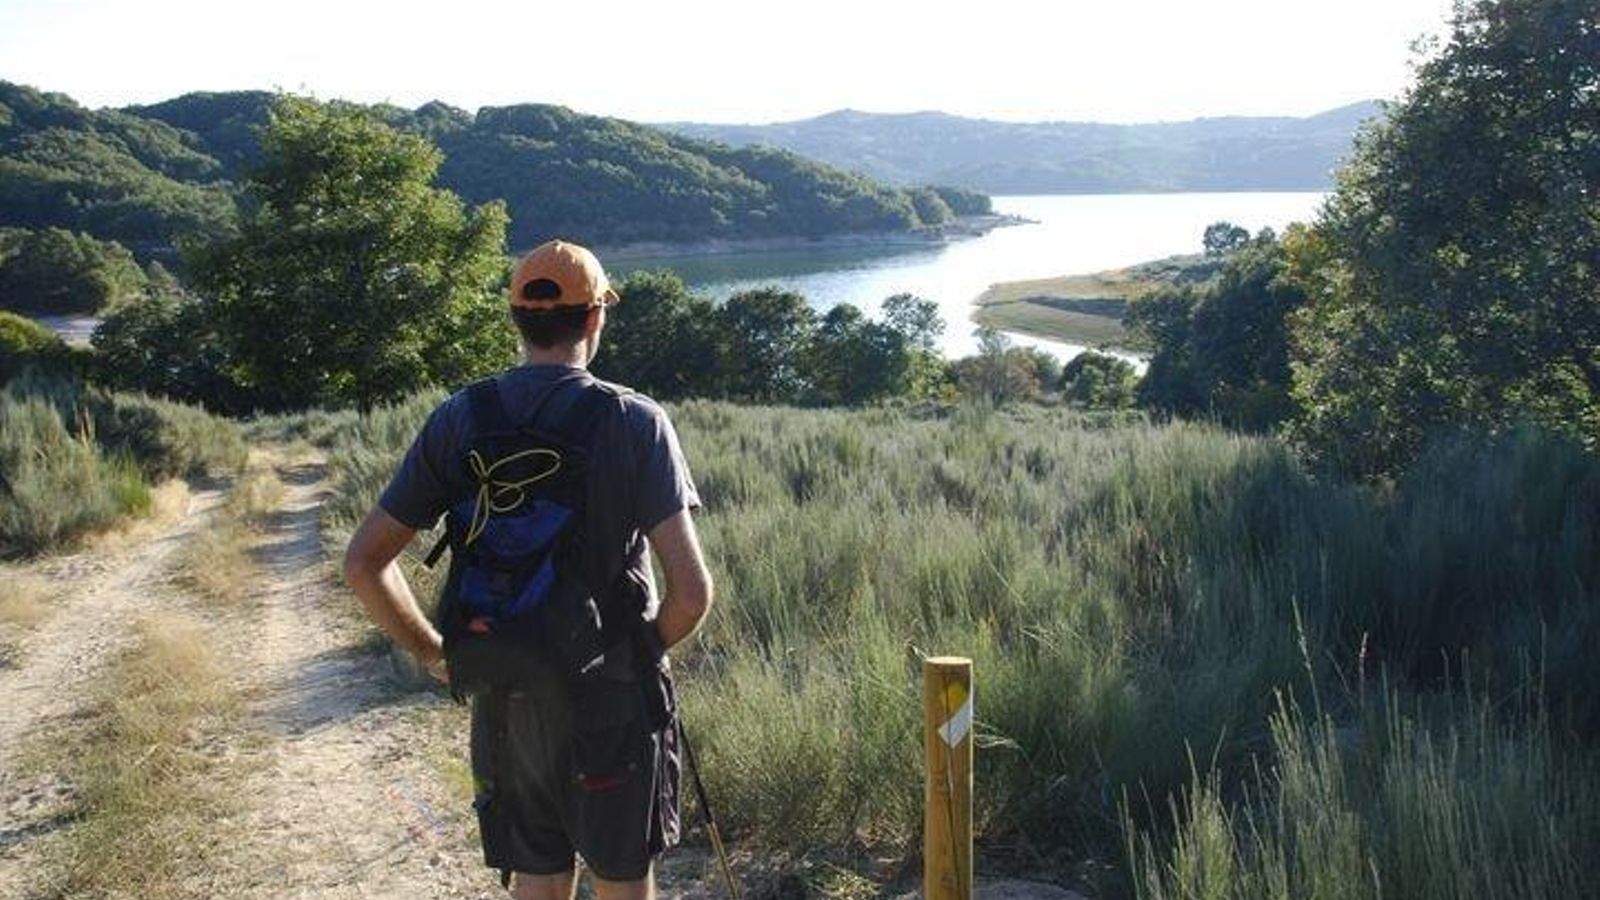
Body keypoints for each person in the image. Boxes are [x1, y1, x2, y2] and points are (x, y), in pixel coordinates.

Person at [343, 239, 714, 900]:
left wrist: (436, 654)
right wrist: (631, 656)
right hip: (610, 706)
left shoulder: (460, 418)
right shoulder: (635, 422)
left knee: (537, 880)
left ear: (516, 319)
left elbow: (365, 563)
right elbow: (691, 595)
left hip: (504, 693)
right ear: (595, 318)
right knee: (622, 882)